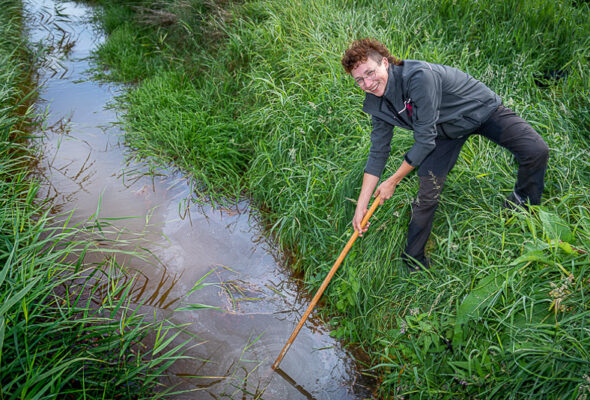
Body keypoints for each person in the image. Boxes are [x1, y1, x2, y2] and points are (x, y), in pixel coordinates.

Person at [341, 38, 549, 270]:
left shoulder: (419, 77)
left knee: (536, 151)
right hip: (443, 132)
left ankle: (522, 205)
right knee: (427, 192)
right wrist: (361, 205)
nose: (368, 83)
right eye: (359, 80)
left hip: (479, 111)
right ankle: (413, 260)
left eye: (370, 72)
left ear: (386, 63)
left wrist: (393, 180)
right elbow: (379, 151)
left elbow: (423, 141)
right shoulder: (376, 103)